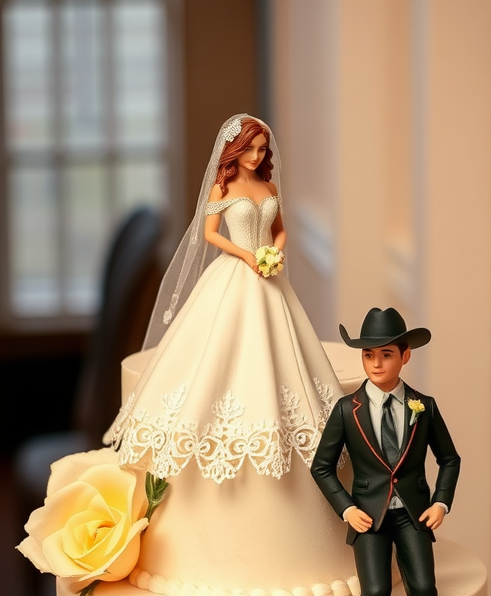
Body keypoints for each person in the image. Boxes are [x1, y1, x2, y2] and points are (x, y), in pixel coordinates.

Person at [104, 115, 342, 485]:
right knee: (222, 340)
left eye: (261, 149)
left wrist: (274, 253)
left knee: (278, 340)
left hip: (268, 276)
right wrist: (246, 255)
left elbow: (280, 231)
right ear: (235, 148)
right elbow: (211, 235)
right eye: (249, 148)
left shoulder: (270, 187)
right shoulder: (222, 188)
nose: (255, 155)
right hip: (235, 270)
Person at [310, 307, 461, 596]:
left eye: (386, 355)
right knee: (375, 593)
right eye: (368, 356)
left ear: (405, 355)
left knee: (425, 589)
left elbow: (449, 459)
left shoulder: (423, 407)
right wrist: (347, 509)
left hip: (413, 515)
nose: (376, 364)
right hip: (370, 519)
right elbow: (321, 466)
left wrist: (440, 502)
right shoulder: (347, 409)